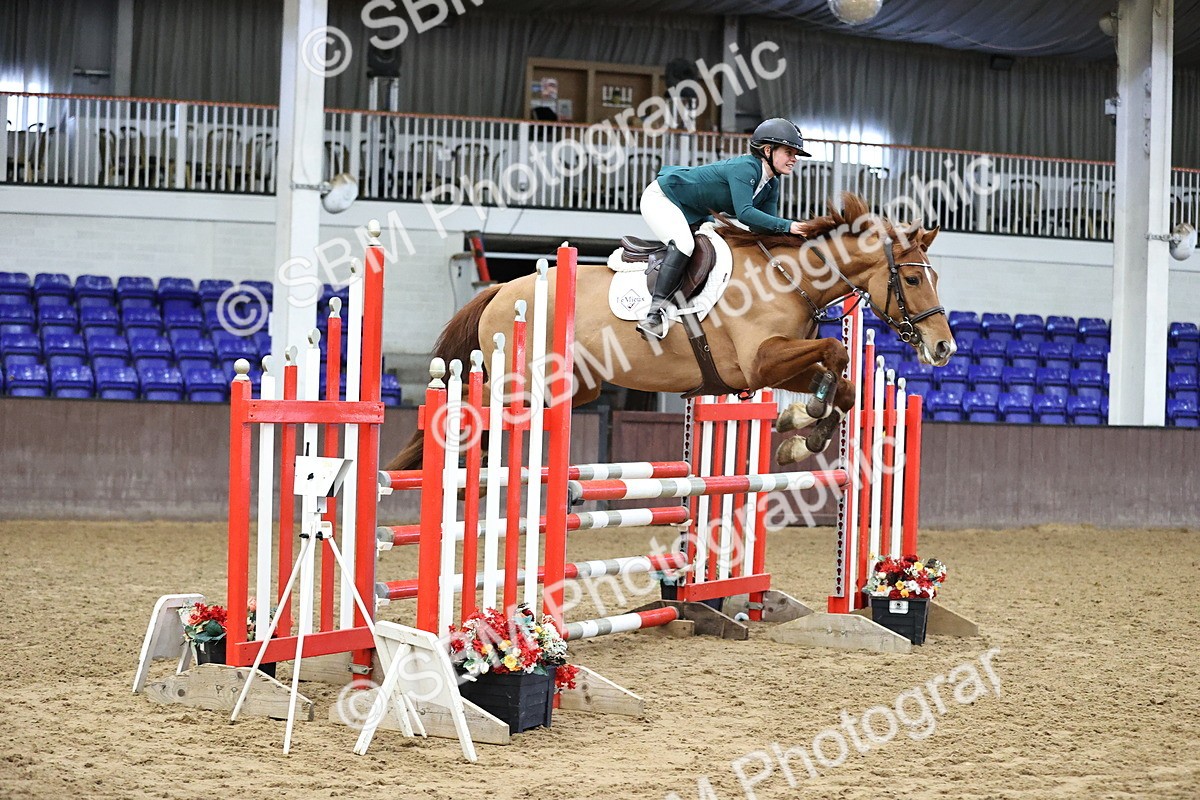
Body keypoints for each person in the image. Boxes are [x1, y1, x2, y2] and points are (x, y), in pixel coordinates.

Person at [635, 117, 812, 339]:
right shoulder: (746, 168)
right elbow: (746, 213)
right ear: (768, 150)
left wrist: (795, 237)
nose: (794, 159)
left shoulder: (771, 184)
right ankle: (654, 314)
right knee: (684, 244)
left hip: (696, 212)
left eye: (795, 154)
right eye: (789, 152)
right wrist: (791, 225)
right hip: (663, 198)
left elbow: (762, 226)